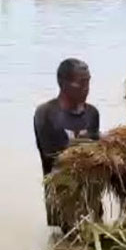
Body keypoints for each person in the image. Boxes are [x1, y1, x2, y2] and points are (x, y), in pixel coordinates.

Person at [34, 58, 100, 227]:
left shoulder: (92, 113)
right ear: (63, 84)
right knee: (64, 249)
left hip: (91, 198)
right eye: (81, 83)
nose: (87, 88)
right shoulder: (46, 113)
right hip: (61, 200)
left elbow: (97, 154)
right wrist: (89, 143)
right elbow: (52, 155)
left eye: (88, 82)